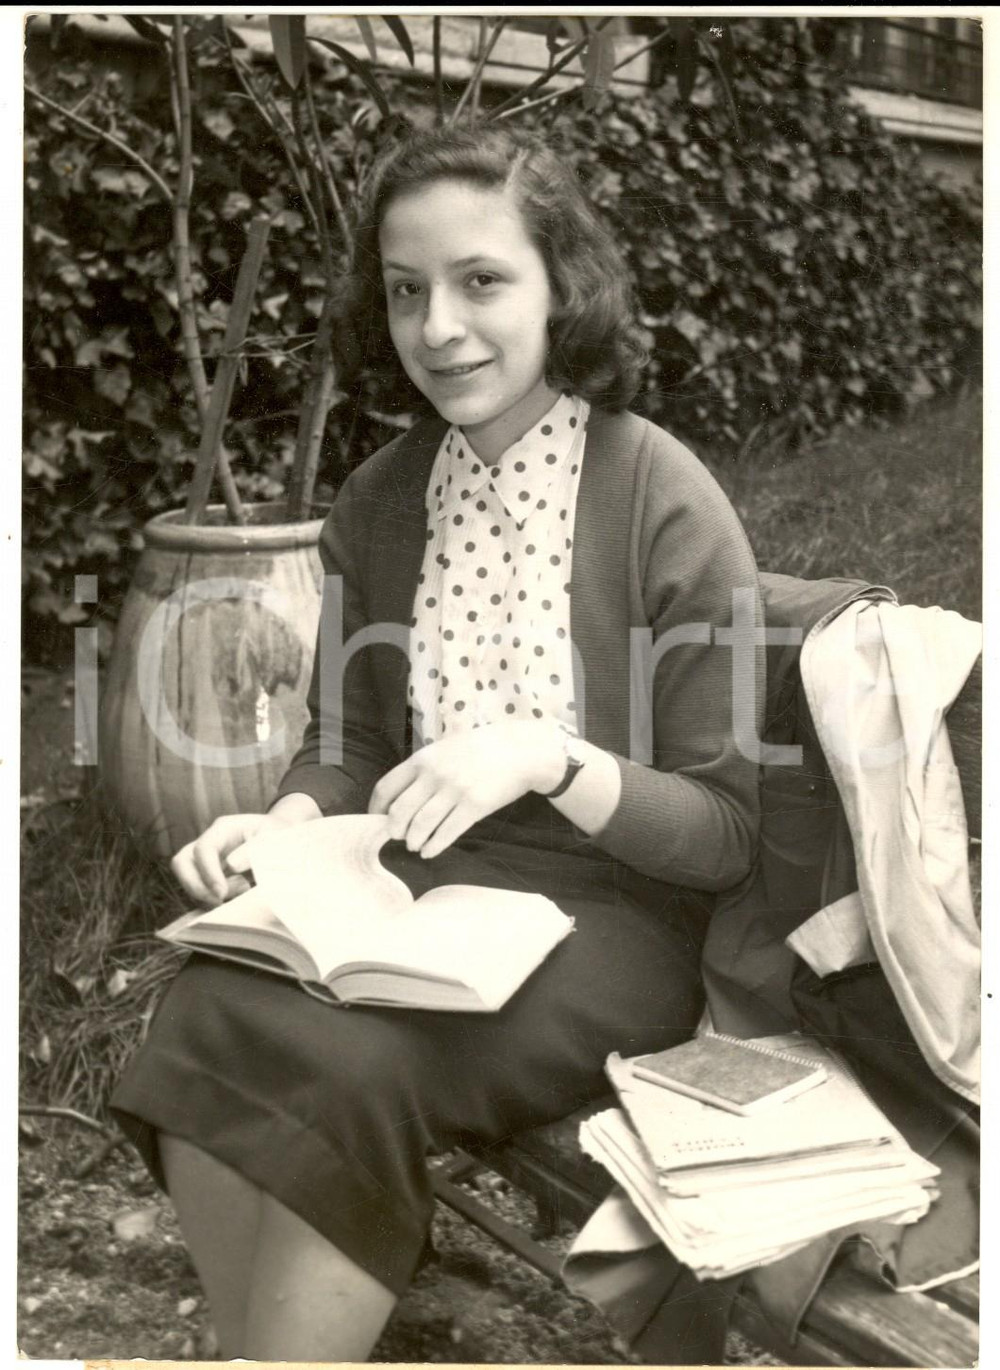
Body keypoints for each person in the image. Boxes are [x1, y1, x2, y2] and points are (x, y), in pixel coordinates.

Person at [110, 123, 765, 1362]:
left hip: (611, 926)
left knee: (351, 1059)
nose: (440, 327)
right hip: (411, 888)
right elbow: (347, 736)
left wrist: (550, 758)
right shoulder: (379, 498)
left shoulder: (658, 492)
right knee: (210, 1004)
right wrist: (289, 824)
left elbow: (727, 831)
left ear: (562, 287)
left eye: (481, 280)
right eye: (407, 291)